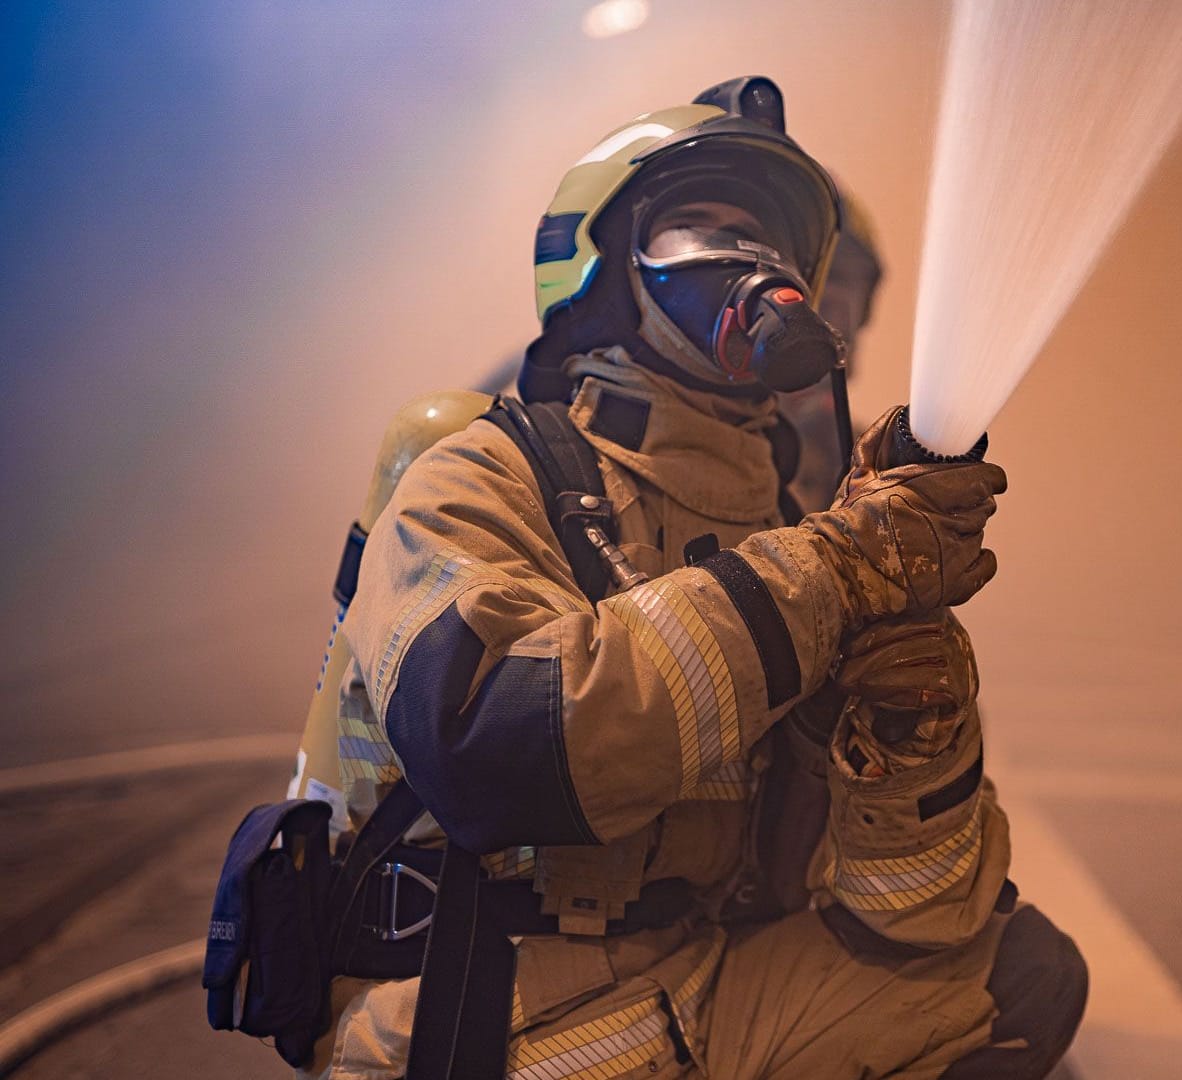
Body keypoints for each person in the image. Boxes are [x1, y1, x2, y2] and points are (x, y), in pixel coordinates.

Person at [307, 76, 1086, 1079]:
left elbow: (913, 918)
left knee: (1017, 977)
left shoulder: (787, 524)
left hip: (688, 984)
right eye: (698, 227)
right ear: (600, 270)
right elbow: (498, 753)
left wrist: (910, 727)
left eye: (766, 239)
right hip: (486, 1017)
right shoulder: (481, 474)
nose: (748, 262)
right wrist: (836, 569)